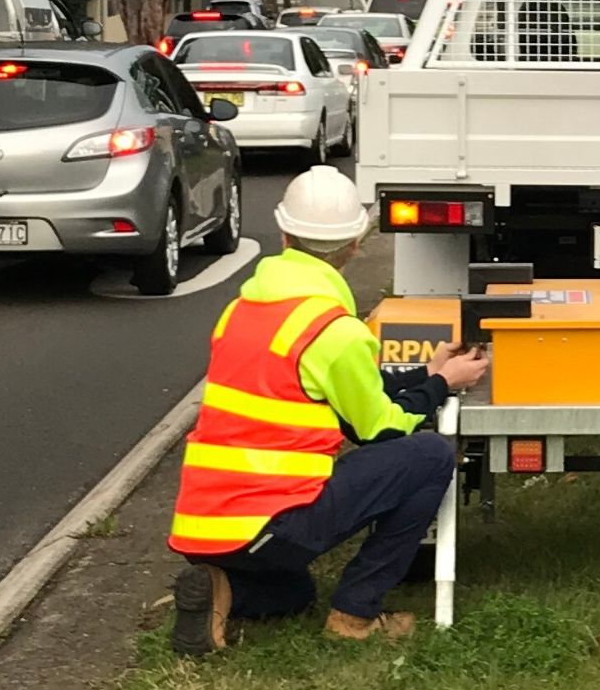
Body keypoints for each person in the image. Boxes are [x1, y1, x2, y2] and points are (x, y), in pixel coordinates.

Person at [167, 166, 488, 654]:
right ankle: (355, 615)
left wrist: (426, 373)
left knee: (296, 595)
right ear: (357, 243)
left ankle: (219, 588)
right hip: (272, 522)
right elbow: (379, 428)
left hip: (204, 525)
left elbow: (341, 387)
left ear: (284, 234)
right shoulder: (333, 330)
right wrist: (444, 384)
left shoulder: (243, 311)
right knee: (429, 456)